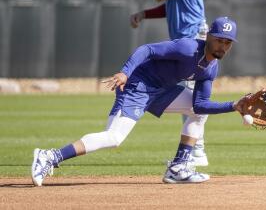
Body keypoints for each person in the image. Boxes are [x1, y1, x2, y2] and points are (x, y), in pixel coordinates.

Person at [32, 16, 244, 186]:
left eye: (227, 42)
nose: (222, 46)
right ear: (208, 36)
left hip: (162, 91)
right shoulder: (188, 48)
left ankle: (178, 168)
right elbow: (147, 49)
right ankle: (50, 156)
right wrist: (125, 73)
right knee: (114, 137)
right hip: (137, 86)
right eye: (219, 39)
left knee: (198, 113)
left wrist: (234, 106)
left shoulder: (211, 67)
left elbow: (199, 105)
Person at [130, 0, 209, 166]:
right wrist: (144, 13)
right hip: (186, 40)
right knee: (187, 94)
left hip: (194, 41)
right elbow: (170, 8)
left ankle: (196, 152)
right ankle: (195, 151)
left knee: (191, 96)